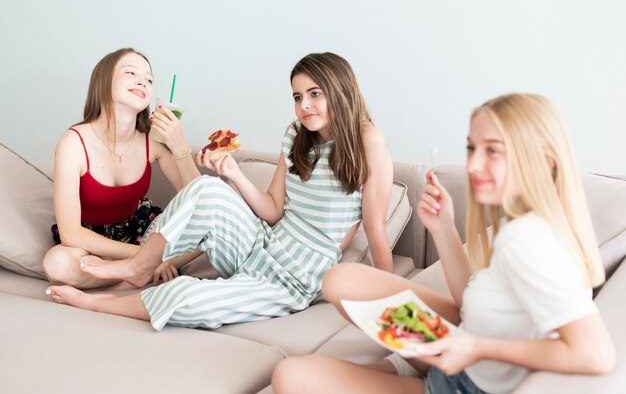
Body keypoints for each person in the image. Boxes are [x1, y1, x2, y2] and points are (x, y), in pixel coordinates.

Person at [271, 93, 616, 394]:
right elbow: (474, 302)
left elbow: (595, 354)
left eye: (492, 151)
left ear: (544, 162)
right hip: (456, 351)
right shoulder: (524, 221)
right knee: (341, 279)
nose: (474, 164)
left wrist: (476, 347)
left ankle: (402, 372)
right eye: (472, 148)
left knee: (291, 376)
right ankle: (402, 368)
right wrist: (444, 230)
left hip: (462, 382)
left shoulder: (528, 242)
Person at [45, 52, 395, 331]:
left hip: (297, 274)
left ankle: (95, 303)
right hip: (262, 244)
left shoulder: (368, 140)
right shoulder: (294, 135)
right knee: (207, 187)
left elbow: (375, 227)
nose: (304, 105)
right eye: (298, 96)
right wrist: (235, 175)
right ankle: (140, 265)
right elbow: (273, 210)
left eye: (315, 94)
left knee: (191, 297)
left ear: (341, 89)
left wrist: (394, 298)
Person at [43, 48, 201, 290]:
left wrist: (178, 143)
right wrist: (145, 257)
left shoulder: (153, 142)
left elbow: (199, 199)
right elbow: (71, 234)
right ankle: (143, 273)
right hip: (91, 243)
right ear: (104, 81)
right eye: (131, 73)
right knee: (57, 264)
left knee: (207, 238)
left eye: (149, 79)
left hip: (140, 230)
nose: (142, 81)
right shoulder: (73, 142)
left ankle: (129, 275)